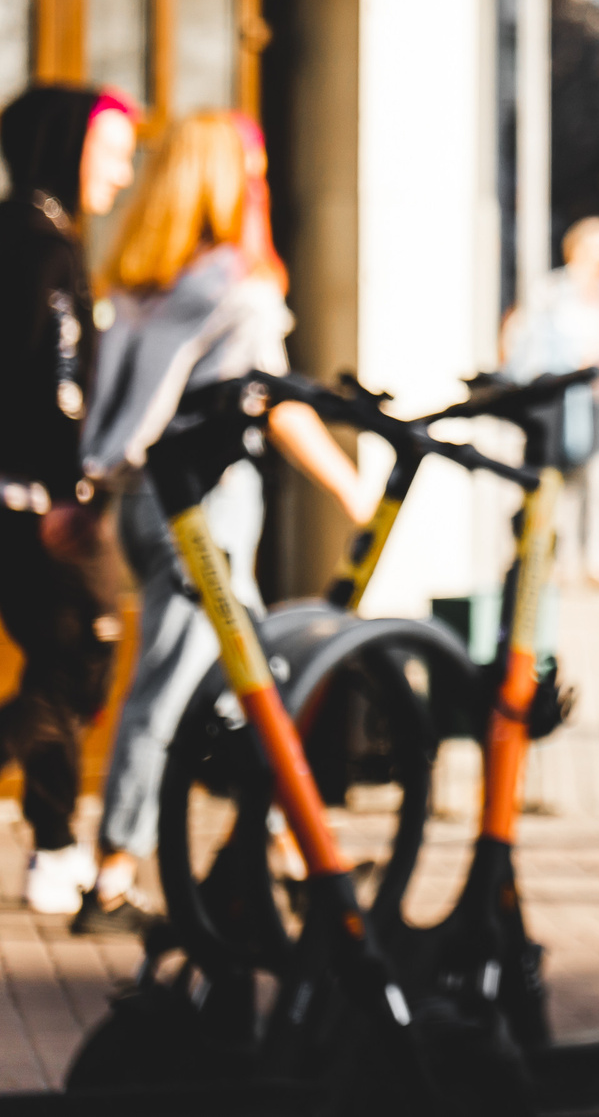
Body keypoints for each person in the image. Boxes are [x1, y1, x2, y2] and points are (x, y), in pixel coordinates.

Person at [75, 112, 372, 935]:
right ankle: (113, 871)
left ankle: (294, 853)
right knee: (171, 684)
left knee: (257, 683)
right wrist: (352, 487)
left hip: (149, 503)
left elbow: (115, 413)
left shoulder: (143, 283)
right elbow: (272, 403)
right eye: (253, 169)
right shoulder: (237, 288)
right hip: (204, 508)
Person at [0, 86, 134, 916]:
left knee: (54, 656)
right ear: (64, 148)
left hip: (23, 496)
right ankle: (53, 846)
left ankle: (54, 849)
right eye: (111, 152)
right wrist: (65, 489)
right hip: (39, 503)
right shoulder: (45, 249)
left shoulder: (19, 232)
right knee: (83, 651)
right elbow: (55, 383)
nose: (122, 173)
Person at [503, 215, 599, 588]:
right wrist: (569, 365)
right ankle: (563, 561)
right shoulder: (550, 292)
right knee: (562, 483)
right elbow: (525, 347)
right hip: (561, 401)